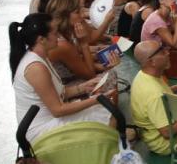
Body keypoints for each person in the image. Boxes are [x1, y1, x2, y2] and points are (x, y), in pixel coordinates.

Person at [10, 13, 114, 143]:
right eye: (55, 33)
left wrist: (83, 87)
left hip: (48, 119)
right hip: (41, 131)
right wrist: (96, 100)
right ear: (41, 39)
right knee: (107, 113)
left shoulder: (40, 56)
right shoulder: (36, 67)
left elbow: (58, 93)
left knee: (104, 110)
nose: (58, 37)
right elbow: (58, 110)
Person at [130, 41, 177, 155]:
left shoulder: (144, 75)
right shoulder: (154, 94)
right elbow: (167, 133)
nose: (167, 53)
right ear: (152, 62)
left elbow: (162, 94)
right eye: (162, 51)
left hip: (155, 133)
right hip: (167, 144)